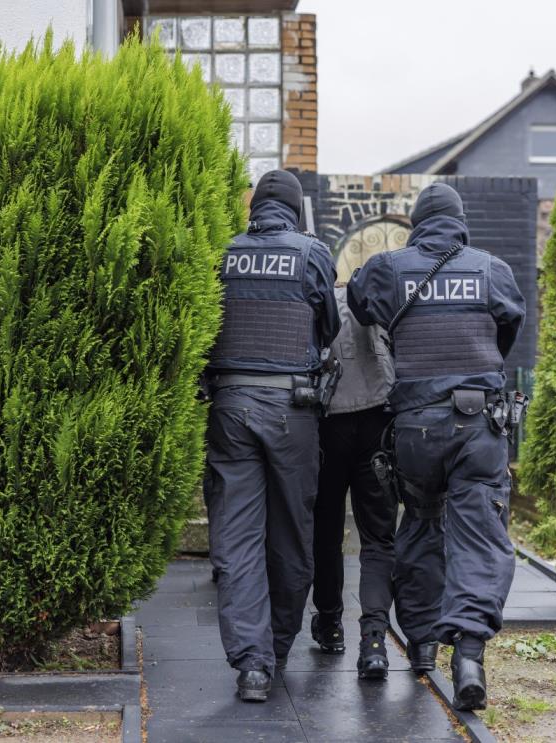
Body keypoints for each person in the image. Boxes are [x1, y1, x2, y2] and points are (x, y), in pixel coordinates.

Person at [347, 182, 525, 711]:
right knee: (478, 536)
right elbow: (508, 329)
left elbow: (358, 301)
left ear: (418, 222)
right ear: (460, 220)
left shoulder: (389, 266)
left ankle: (422, 640)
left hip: (415, 429)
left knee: (421, 525)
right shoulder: (491, 269)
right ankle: (468, 655)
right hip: (478, 425)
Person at [204, 169, 339, 703]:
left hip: (230, 406)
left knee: (235, 538)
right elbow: (328, 326)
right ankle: (276, 648)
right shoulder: (311, 254)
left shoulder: (224, 253)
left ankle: (251, 665)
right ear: (296, 209)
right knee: (290, 533)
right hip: (292, 408)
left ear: (254, 208)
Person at [310, 285, 398, 680]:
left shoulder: (320, 300)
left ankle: (330, 625)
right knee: (378, 537)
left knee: (326, 531)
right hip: (378, 420)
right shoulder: (380, 301)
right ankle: (375, 641)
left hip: (329, 422)